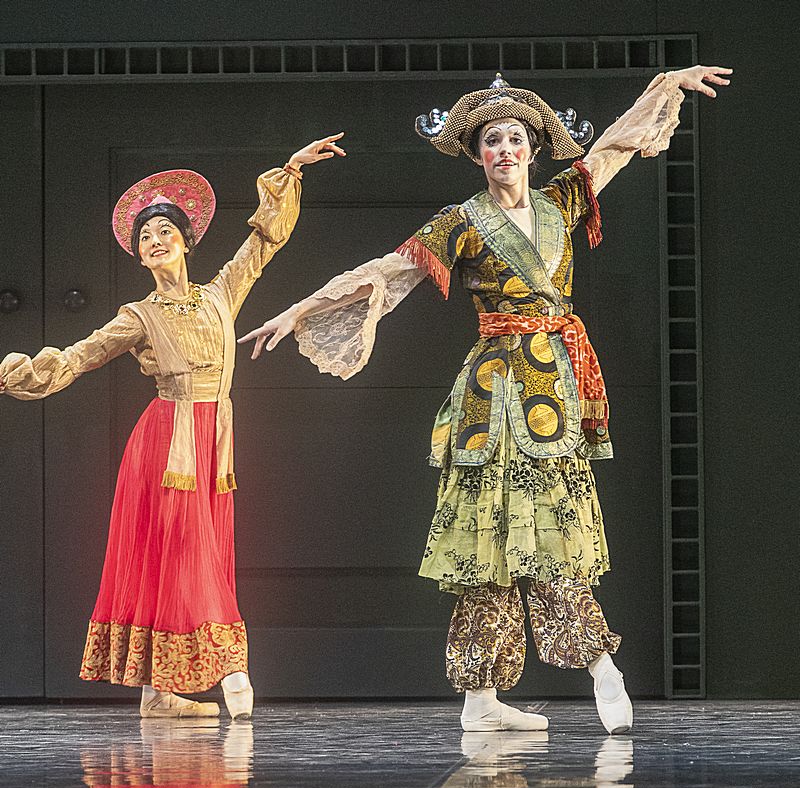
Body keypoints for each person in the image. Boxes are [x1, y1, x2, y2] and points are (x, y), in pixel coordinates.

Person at [240, 66, 730, 733]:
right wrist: (297, 311)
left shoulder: (563, 201)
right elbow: (386, 273)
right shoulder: (462, 223)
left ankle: (591, 665)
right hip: (494, 395)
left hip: (553, 386)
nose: (504, 149)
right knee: (488, 541)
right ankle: (492, 694)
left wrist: (665, 85)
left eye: (514, 138)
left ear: (532, 148)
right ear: (476, 155)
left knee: (553, 529)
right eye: (491, 141)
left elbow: (615, 146)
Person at [0, 134, 346, 719]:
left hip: (213, 443)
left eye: (165, 232)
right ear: (139, 257)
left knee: (192, 553)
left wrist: (290, 171)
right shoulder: (138, 316)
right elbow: (80, 356)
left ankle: (158, 693)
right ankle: (232, 672)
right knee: (188, 554)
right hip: (167, 445)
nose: (155, 241)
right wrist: (17, 375)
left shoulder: (221, 294)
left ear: (186, 241)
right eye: (145, 237)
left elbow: (262, 243)